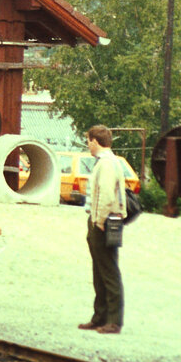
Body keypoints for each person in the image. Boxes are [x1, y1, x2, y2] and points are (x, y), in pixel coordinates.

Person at [79, 125, 125, 334]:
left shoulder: (106, 164)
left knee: (108, 271)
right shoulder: (110, 162)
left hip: (104, 222)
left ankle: (113, 320)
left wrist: (98, 222)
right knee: (100, 271)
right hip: (105, 221)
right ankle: (100, 317)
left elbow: (105, 196)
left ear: (95, 141)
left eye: (88, 141)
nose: (88, 145)